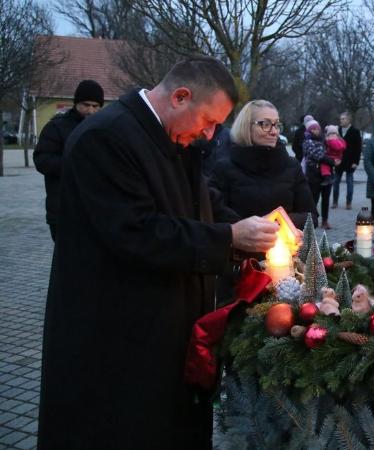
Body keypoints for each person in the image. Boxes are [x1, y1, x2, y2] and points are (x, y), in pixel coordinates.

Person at [38, 56, 279, 450]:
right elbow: (136, 232)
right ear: (181, 97)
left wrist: (249, 229)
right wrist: (228, 237)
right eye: (209, 120)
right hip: (115, 337)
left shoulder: (170, 135)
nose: (211, 133)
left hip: (162, 328)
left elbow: (198, 202)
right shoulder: (108, 137)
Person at [209, 100, 315, 302]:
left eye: (276, 124)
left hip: (286, 273)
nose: (273, 131)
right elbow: (214, 211)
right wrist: (247, 228)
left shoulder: (291, 166)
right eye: (265, 124)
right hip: (240, 272)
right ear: (246, 126)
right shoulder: (224, 167)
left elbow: (310, 215)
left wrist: (278, 225)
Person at [33, 79, 104, 241]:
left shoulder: (103, 128)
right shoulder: (56, 127)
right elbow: (42, 160)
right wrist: (78, 165)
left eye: (95, 106)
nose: (91, 110)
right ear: (76, 103)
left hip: (94, 210)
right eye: (86, 105)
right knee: (66, 262)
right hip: (63, 210)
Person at [303, 119, 337, 229]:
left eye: (317, 128)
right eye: (313, 128)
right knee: (314, 199)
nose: (316, 130)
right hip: (314, 173)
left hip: (327, 173)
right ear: (309, 130)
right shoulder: (307, 142)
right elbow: (317, 155)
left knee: (326, 198)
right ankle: (312, 221)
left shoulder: (324, 140)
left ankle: (325, 220)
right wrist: (332, 161)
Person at [333, 111, 362, 210]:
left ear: (349, 120)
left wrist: (356, 162)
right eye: (340, 119)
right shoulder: (337, 131)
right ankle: (335, 202)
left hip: (350, 161)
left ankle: (348, 202)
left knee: (350, 182)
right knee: (336, 181)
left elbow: (358, 148)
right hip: (338, 161)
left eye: (343, 119)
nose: (341, 120)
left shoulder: (355, 131)